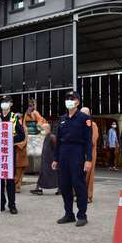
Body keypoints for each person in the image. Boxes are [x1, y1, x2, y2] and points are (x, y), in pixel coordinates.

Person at [52, 90, 92, 227]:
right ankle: (69, 214)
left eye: (72, 98)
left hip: (77, 153)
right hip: (63, 154)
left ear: (78, 102)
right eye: (67, 98)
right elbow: (58, 141)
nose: (69, 100)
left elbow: (88, 141)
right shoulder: (62, 118)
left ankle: (82, 215)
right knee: (64, 185)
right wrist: (55, 159)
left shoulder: (84, 118)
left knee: (78, 184)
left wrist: (89, 159)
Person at [0, 96, 25, 215]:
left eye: (6, 102)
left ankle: (12, 205)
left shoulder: (14, 117)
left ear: (11, 104)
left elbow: (22, 135)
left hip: (9, 152)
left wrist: (10, 139)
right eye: (2, 102)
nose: (4, 104)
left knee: (10, 179)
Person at [30, 123, 59, 195]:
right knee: (42, 175)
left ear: (47, 129)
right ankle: (38, 189)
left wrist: (56, 159)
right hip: (45, 160)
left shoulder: (52, 137)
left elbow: (56, 149)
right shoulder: (46, 137)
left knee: (55, 175)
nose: (41, 131)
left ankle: (60, 188)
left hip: (51, 160)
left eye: (42, 129)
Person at [81, 107, 99, 203]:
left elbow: (93, 140)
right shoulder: (79, 124)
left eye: (84, 114)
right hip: (80, 152)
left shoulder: (93, 125)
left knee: (89, 174)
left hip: (90, 152)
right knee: (80, 174)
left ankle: (88, 195)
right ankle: (80, 194)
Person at [15, 114, 29, 193]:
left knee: (20, 171)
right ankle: (15, 185)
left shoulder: (24, 128)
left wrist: (15, 144)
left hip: (21, 152)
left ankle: (17, 186)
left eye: (19, 118)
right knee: (16, 171)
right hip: (15, 153)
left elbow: (24, 141)